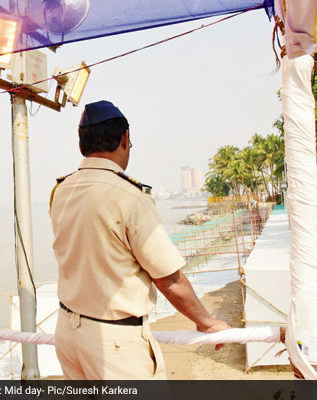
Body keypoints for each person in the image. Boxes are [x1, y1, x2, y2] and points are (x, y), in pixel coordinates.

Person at [49, 100, 230, 380]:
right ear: (125, 139)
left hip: (67, 333)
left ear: (81, 143)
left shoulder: (61, 191)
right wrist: (206, 322)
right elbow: (167, 279)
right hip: (115, 345)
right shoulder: (130, 197)